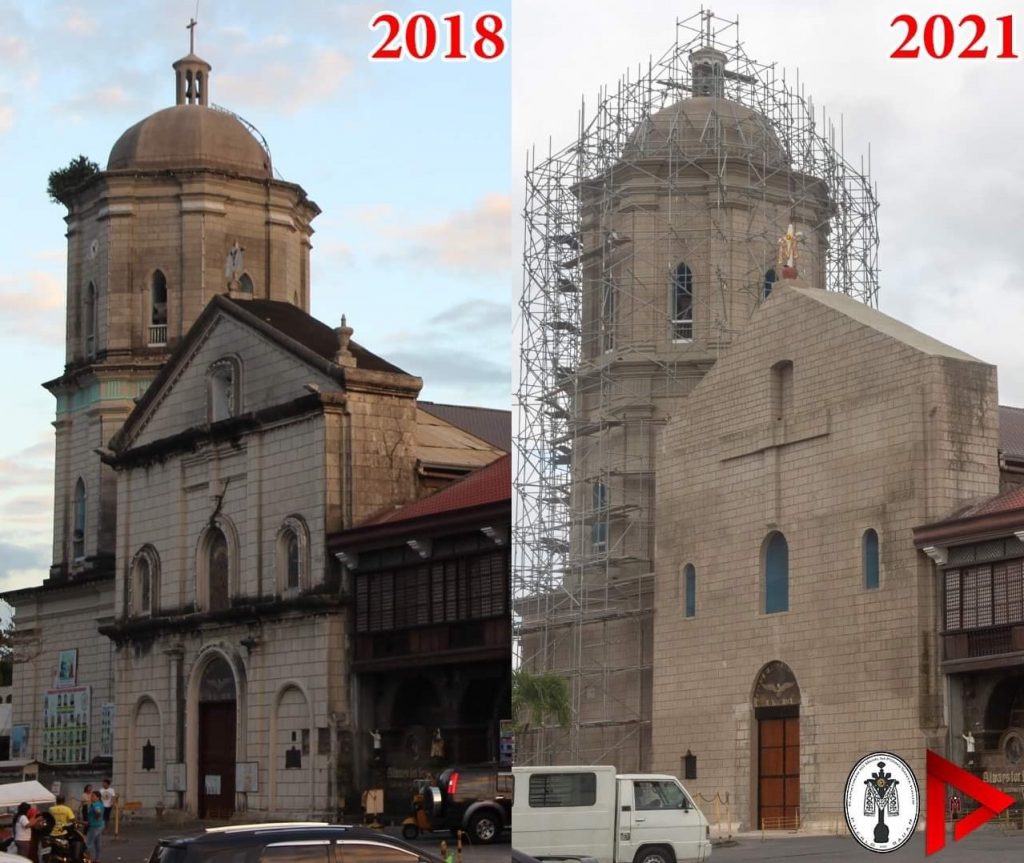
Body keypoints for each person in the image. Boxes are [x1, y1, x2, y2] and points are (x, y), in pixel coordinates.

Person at [85, 791, 104, 863]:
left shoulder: (95, 805)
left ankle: (85, 859)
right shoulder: (100, 804)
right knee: (97, 843)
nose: (91, 797)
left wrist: (96, 817)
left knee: (88, 844)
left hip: (94, 827)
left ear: (98, 797)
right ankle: (97, 859)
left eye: (93, 796)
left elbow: (98, 812)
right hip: (99, 825)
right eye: (91, 796)